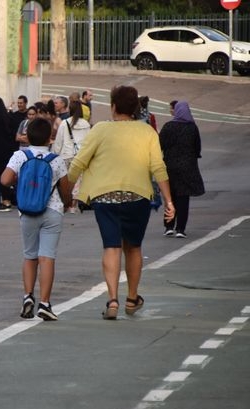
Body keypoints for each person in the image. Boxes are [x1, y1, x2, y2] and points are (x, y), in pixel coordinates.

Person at [67, 85, 175, 320]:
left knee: (111, 246)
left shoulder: (100, 129)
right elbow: (158, 167)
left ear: (113, 106)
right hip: (137, 197)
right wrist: (169, 201)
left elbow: (78, 162)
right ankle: (132, 298)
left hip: (104, 197)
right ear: (136, 108)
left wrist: (66, 191)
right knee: (133, 247)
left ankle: (113, 300)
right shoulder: (147, 132)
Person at [0, 118, 72, 321]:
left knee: (30, 255)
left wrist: (20, 181)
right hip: (52, 210)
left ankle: (28, 296)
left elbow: (4, 179)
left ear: (28, 137)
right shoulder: (56, 160)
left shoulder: (20, 156)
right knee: (47, 257)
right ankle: (45, 303)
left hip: (27, 211)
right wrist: (67, 203)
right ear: (50, 138)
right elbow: (66, 191)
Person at [158, 101, 205, 238]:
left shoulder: (168, 126)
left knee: (170, 196)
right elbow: (197, 147)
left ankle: (168, 226)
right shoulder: (192, 127)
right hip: (187, 168)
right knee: (183, 198)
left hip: (170, 166)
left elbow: (160, 144)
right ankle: (180, 229)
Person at [52, 100, 91, 214]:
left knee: (66, 180)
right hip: (80, 156)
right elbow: (88, 141)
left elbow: (58, 142)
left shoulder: (65, 123)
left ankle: (66, 203)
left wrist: (55, 154)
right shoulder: (86, 124)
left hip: (66, 155)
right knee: (78, 180)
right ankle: (74, 203)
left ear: (70, 110)